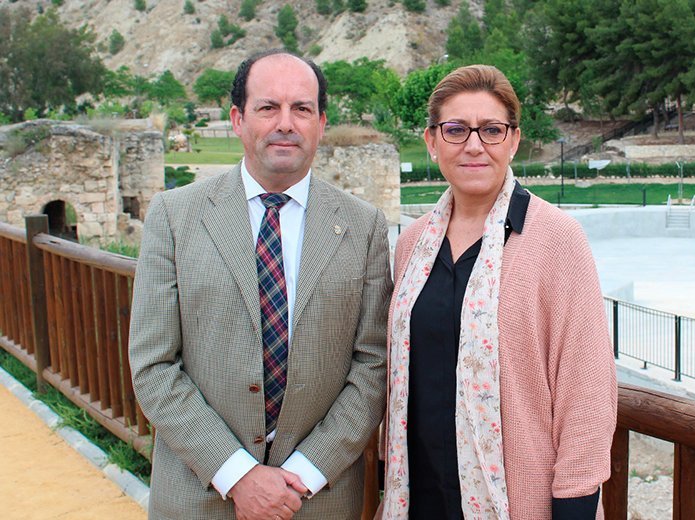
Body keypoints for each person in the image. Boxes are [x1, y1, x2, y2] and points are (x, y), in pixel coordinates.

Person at [129, 49, 391, 519]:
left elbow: (373, 365)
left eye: (302, 109)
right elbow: (153, 365)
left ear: (321, 123)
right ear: (238, 118)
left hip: (317, 498)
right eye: (268, 107)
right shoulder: (173, 216)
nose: (285, 123)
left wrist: (306, 473)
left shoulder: (364, 226)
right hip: (200, 494)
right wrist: (236, 474)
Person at [381, 64, 617, 519]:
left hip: (520, 503)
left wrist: (575, 501)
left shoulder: (556, 238)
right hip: (419, 497)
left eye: (491, 129)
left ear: (513, 140)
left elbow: (586, 387)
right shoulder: (413, 245)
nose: (474, 145)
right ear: (432, 142)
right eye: (455, 130)